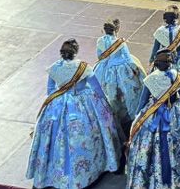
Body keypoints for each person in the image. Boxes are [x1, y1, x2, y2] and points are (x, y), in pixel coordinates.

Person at [27, 39, 121, 189]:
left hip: (57, 106)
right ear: (75, 52)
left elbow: (50, 90)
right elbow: (97, 88)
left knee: (55, 139)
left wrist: (57, 102)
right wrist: (106, 105)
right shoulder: (84, 68)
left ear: (61, 53)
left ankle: (54, 174)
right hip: (83, 103)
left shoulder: (54, 68)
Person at [125, 48, 180, 189]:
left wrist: (137, 118)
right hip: (176, 114)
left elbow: (142, 102)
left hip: (153, 115)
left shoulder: (150, 78)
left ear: (156, 64)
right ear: (171, 64)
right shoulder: (177, 76)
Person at [93, 18, 146, 134]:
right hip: (121, 69)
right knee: (129, 92)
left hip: (105, 69)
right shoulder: (120, 43)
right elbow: (127, 58)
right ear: (116, 30)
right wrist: (136, 70)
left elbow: (99, 56)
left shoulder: (100, 41)